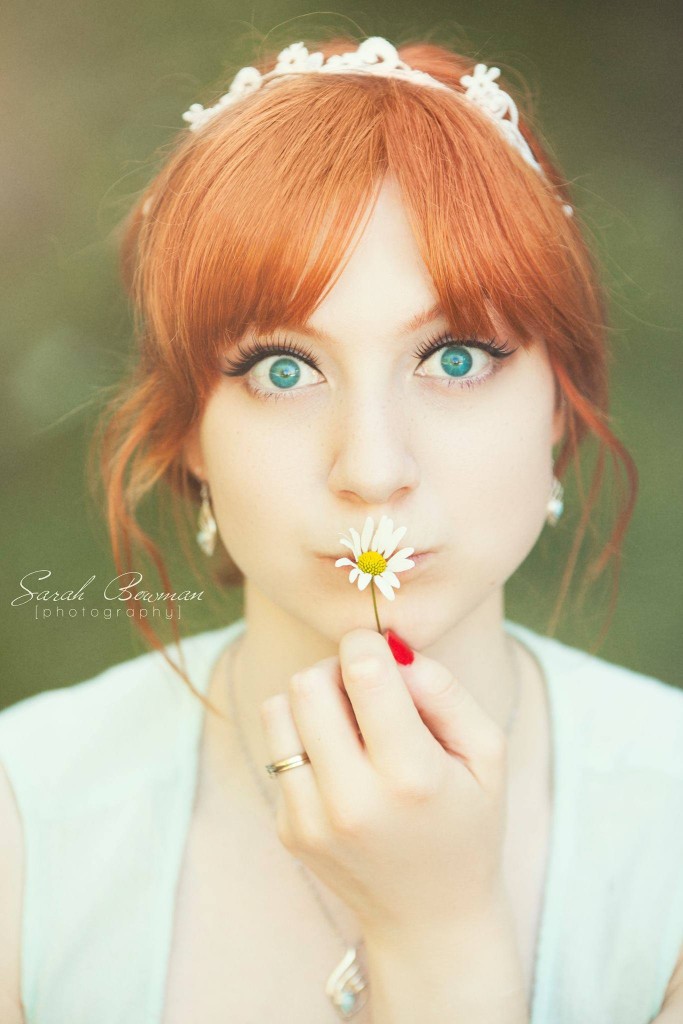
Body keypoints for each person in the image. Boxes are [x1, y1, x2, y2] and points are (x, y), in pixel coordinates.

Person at [1, 33, 682, 1024]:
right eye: (282, 368)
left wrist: (438, 936)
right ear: (188, 431)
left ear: (556, 405)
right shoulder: (25, 815)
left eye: (453, 358)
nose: (370, 468)